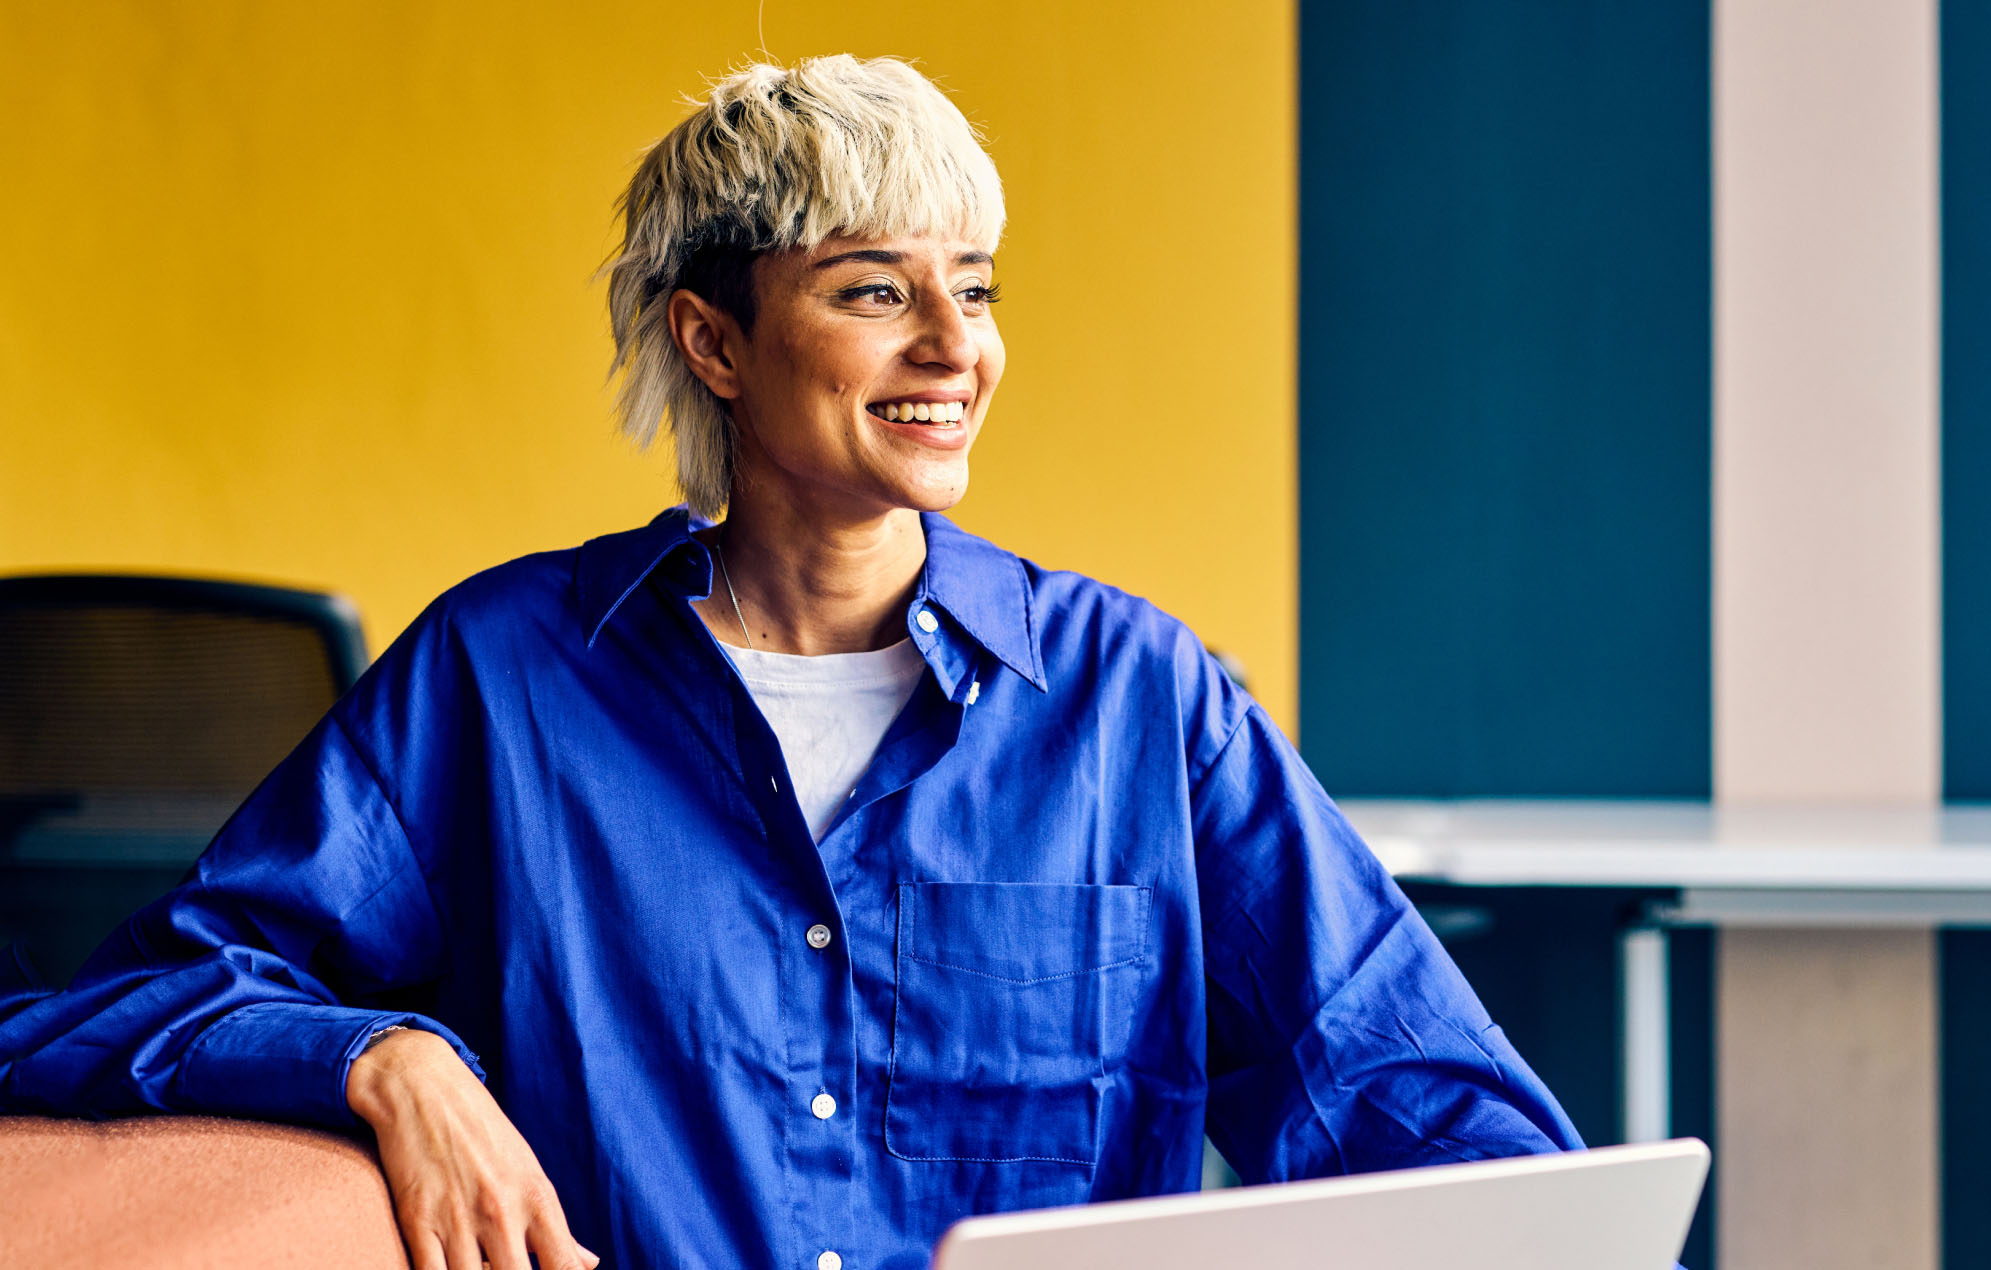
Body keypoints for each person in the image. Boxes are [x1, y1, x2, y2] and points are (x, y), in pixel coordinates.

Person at [0, 54, 1581, 1270]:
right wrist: (385, 1057)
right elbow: (130, 1000)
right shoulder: (502, 684)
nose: (957, 350)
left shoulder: (1142, 706)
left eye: (975, 291)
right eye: (878, 291)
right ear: (716, 343)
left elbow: (1433, 1107)